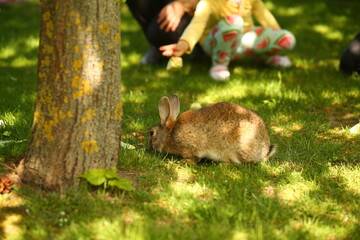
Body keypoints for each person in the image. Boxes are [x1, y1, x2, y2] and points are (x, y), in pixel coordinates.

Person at [160, 0, 296, 81]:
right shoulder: (209, 2)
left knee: (287, 39)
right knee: (234, 21)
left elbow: (265, 16)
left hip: (244, 39)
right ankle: (219, 64)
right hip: (215, 43)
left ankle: (267, 56)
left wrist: (276, 35)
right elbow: (197, 24)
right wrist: (184, 44)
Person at [126, 0, 199, 64]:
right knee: (157, 32)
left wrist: (182, 4)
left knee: (161, 32)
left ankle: (201, 46)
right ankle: (157, 46)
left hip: (195, 7)